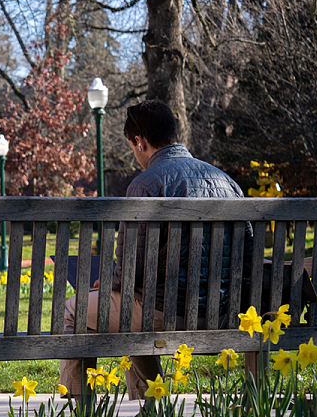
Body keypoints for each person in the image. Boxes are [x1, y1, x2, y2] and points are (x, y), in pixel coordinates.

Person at [59, 99, 246, 398]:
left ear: (139, 141)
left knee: (74, 309)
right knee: (132, 309)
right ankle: (151, 413)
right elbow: (246, 258)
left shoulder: (146, 185)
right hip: (222, 312)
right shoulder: (228, 183)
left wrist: (110, 283)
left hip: (163, 313)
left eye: (133, 148)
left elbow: (133, 269)